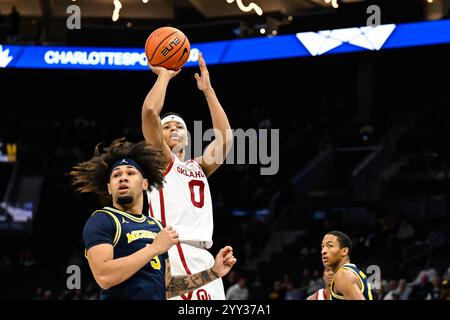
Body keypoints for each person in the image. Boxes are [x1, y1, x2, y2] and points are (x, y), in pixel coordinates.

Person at [69, 138, 236, 300]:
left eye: (131, 172)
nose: (123, 177)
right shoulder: (103, 219)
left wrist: (212, 272)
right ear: (109, 188)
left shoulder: (157, 227)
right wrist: (154, 248)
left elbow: (169, 288)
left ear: (145, 184)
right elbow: (104, 277)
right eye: (116, 175)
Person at [141, 52, 233, 300]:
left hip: (204, 256)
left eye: (178, 126)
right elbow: (150, 111)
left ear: (187, 138)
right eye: (166, 126)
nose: (172, 129)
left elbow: (225, 139)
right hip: (174, 252)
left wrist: (208, 91)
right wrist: (163, 75)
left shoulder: (198, 167)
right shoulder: (160, 162)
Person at [321, 231, 374, 300]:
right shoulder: (352, 272)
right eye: (322, 246)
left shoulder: (343, 274)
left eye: (330, 246)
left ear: (344, 251)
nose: (323, 251)